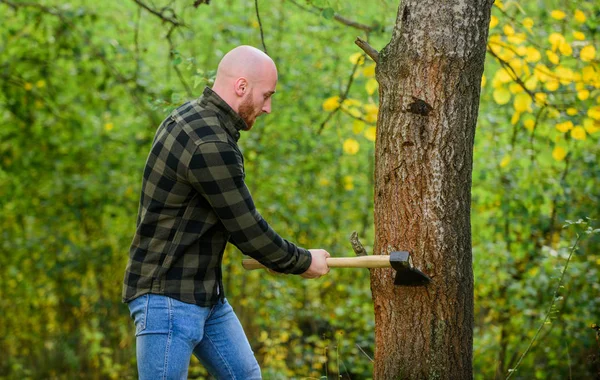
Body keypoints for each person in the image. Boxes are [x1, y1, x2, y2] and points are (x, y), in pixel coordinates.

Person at [122, 45, 331, 379]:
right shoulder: (210, 143)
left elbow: (225, 220)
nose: (268, 108)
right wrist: (303, 261)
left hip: (205, 295)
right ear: (242, 87)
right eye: (267, 96)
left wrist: (275, 257)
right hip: (167, 300)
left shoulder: (191, 118)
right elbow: (247, 228)